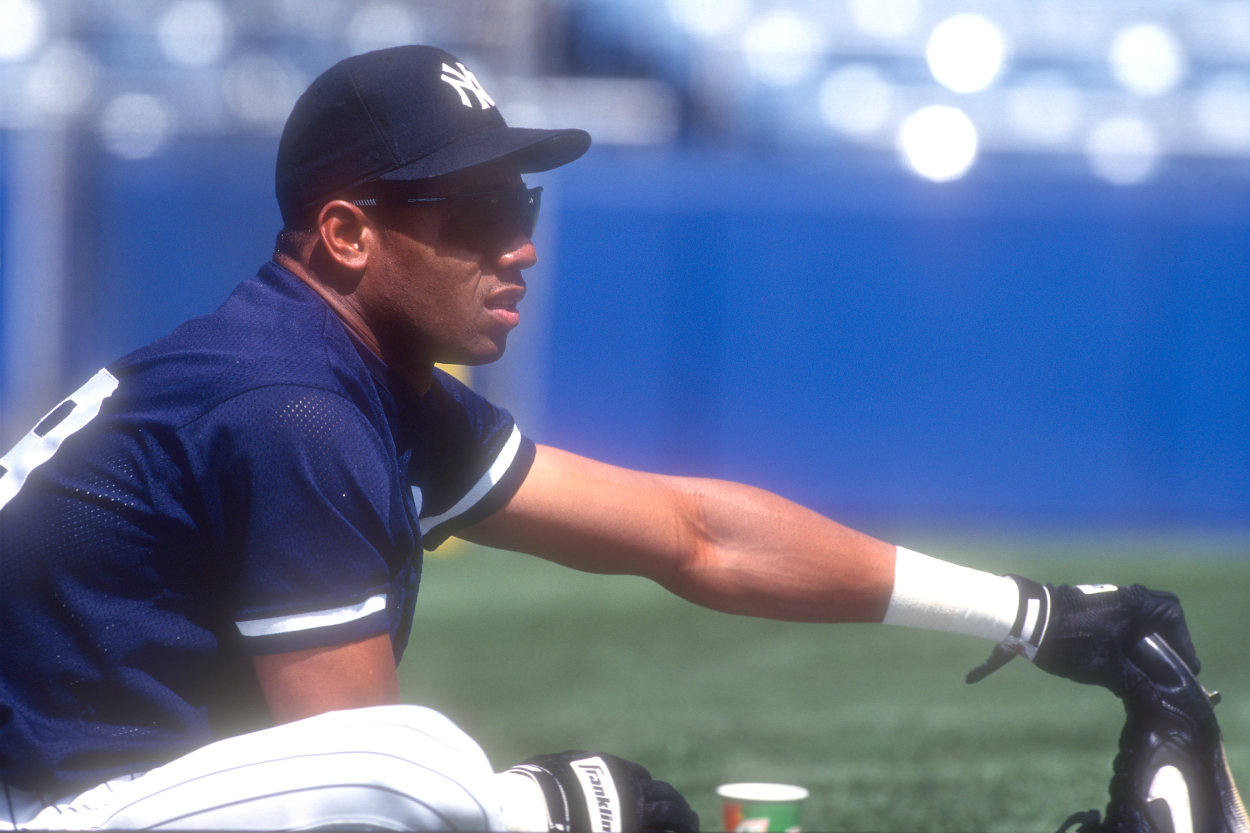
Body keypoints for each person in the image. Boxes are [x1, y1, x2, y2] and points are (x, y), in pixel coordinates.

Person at [0, 45, 1243, 833]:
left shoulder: (345, 372)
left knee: (562, 799)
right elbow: (355, 768)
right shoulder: (291, 405)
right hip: (50, 803)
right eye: (476, 210)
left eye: (522, 202)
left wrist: (1029, 613)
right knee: (424, 760)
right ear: (344, 233)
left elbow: (694, 535)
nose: (521, 242)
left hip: (117, 784)